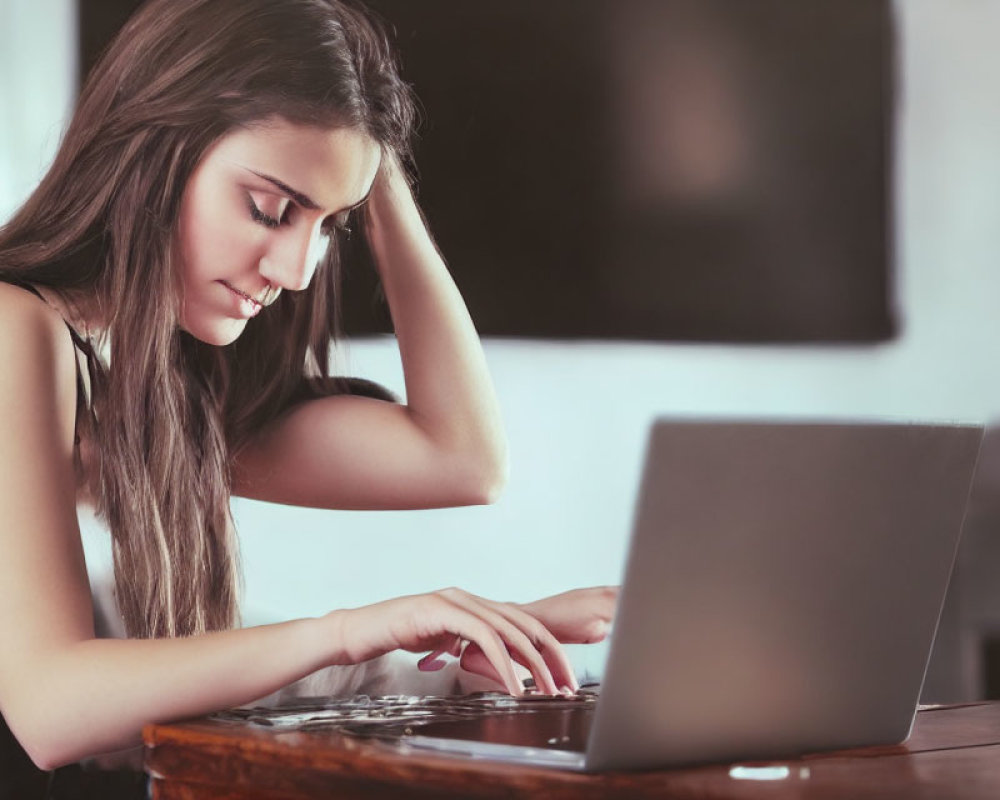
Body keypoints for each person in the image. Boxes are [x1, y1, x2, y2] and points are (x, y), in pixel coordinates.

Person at [0, 0, 617, 793]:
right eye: (269, 209)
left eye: (332, 226)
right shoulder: (15, 327)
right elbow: (53, 710)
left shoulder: (163, 389)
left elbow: (460, 459)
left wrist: (472, 651)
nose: (296, 272)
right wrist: (356, 632)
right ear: (152, 148)